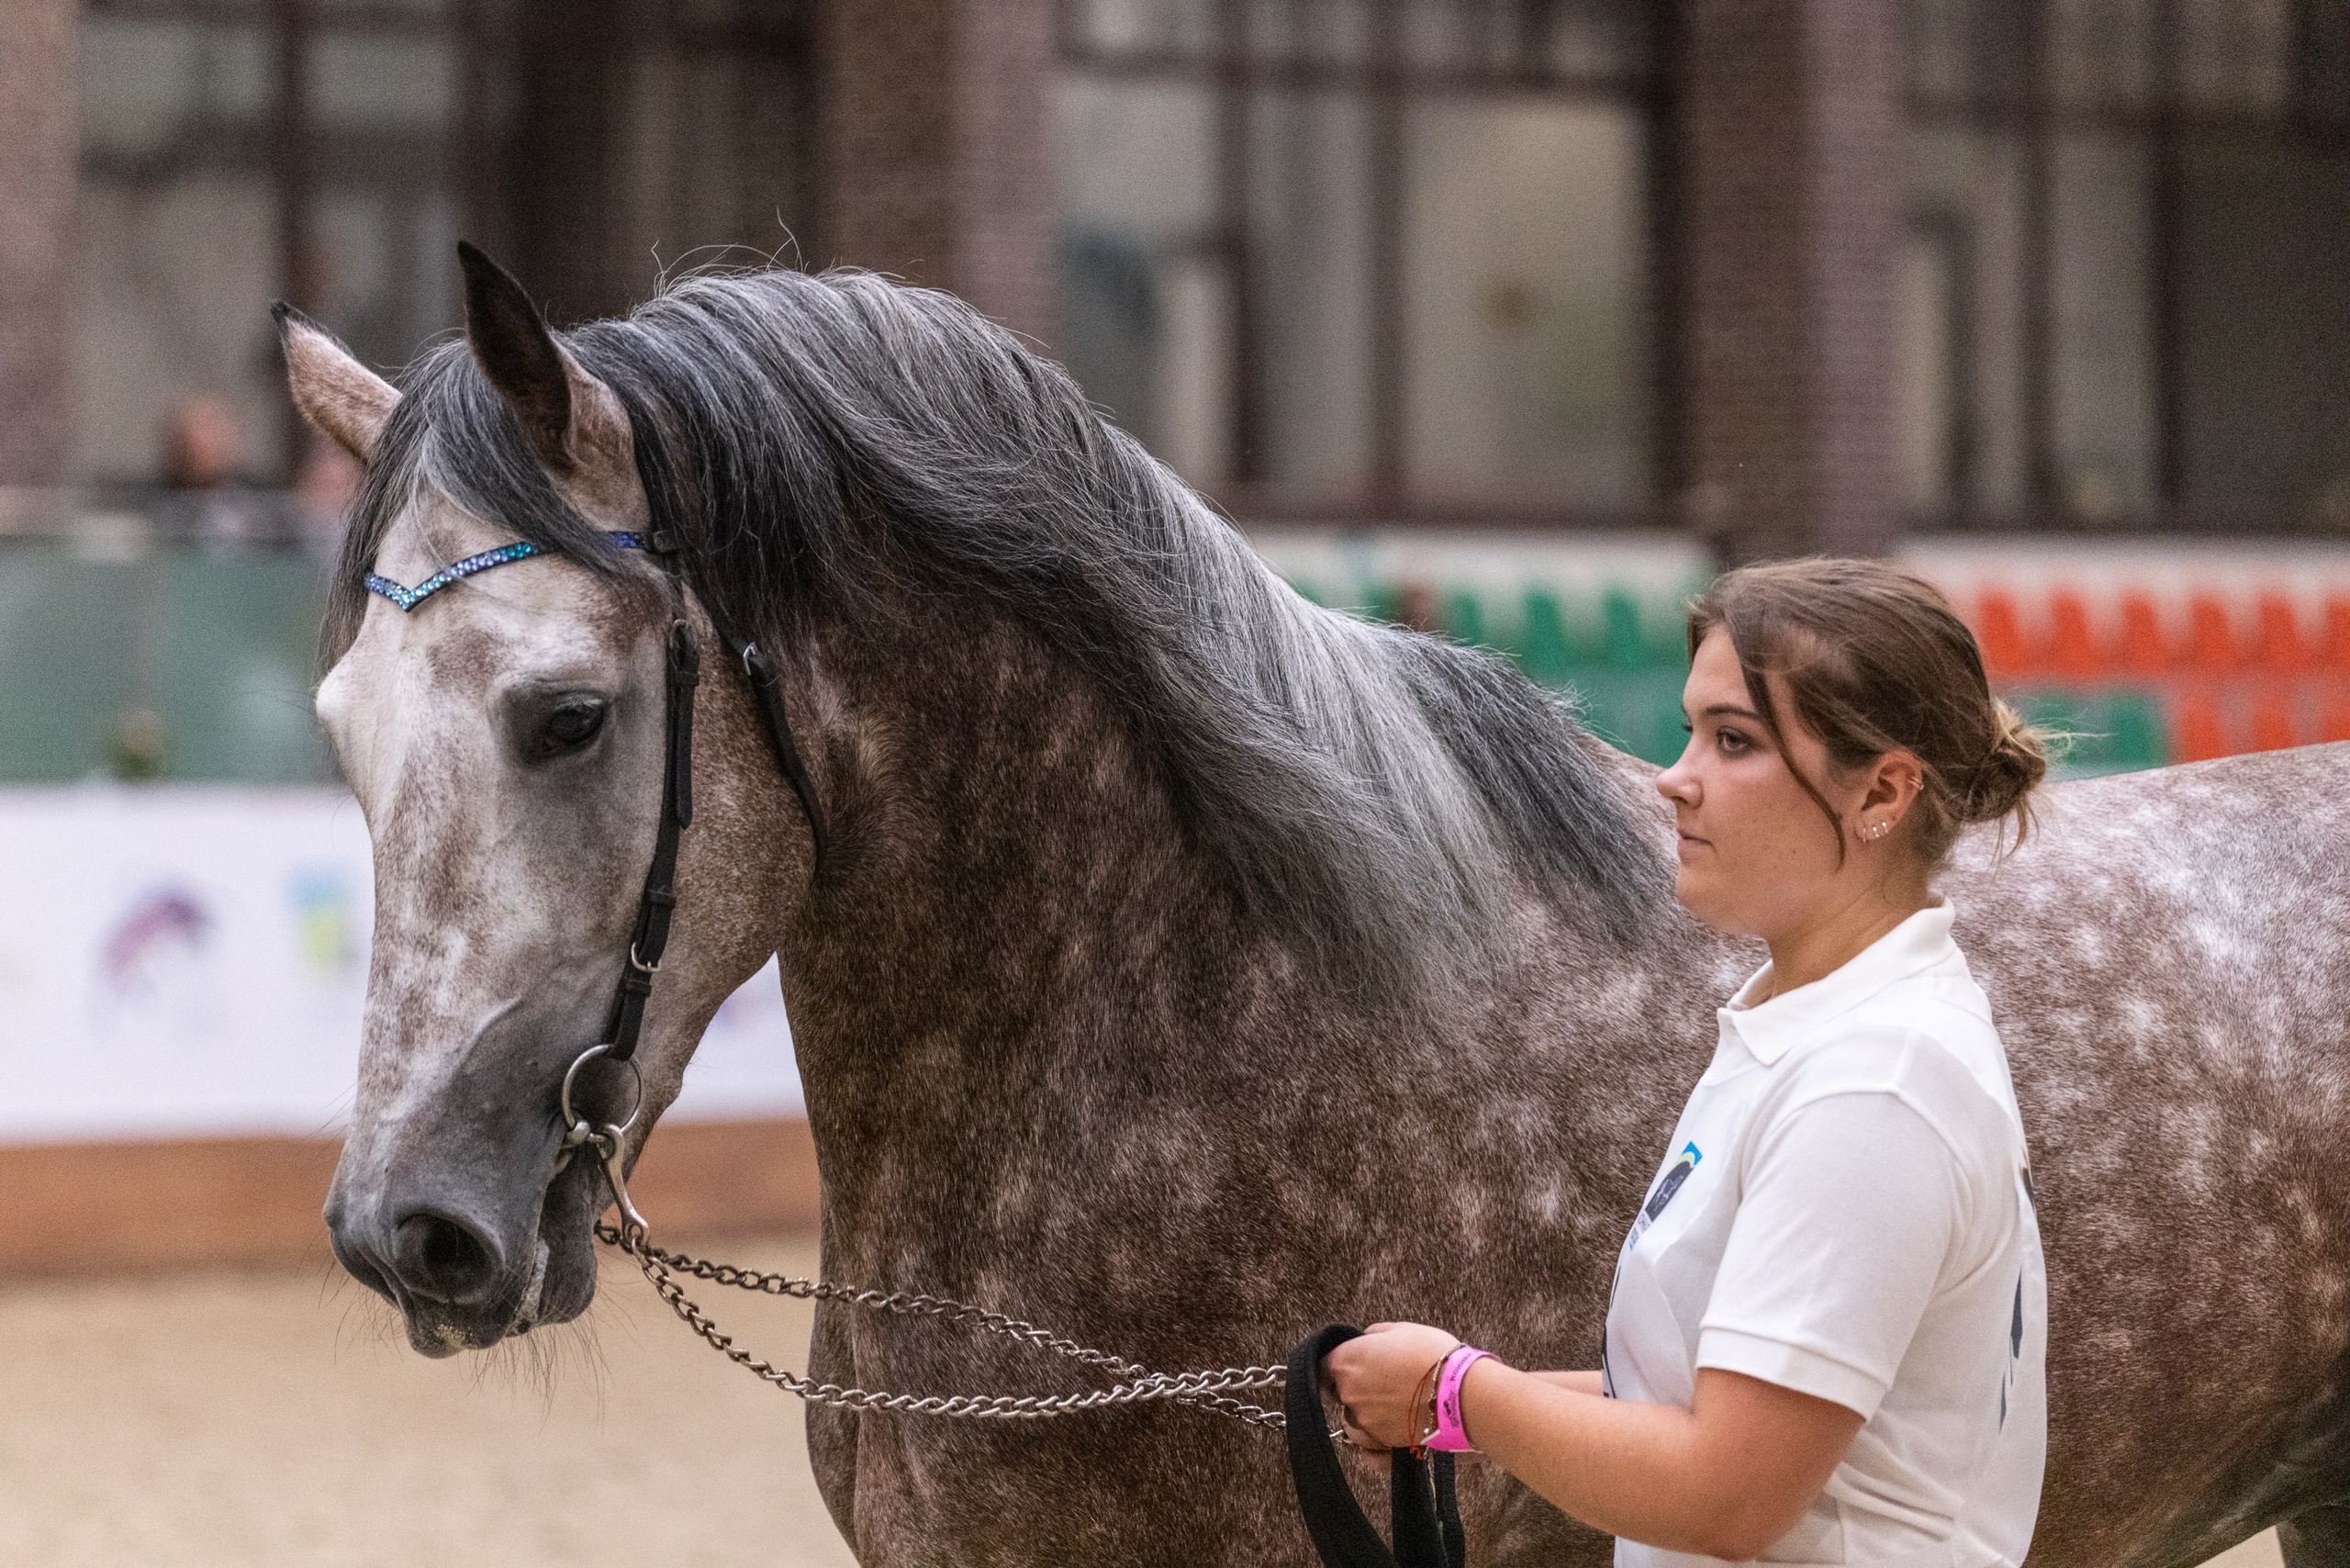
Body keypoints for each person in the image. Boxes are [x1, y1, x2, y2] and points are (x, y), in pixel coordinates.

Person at [1328, 557, 2051, 1567]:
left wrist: (1460, 1391)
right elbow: (1692, 1407)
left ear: (1883, 789)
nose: (1674, 776)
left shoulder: (1875, 1080)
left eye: (1734, 740)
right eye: (1691, 730)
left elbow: (1728, 1492)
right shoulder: (1814, 1030)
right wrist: (1446, 1404)